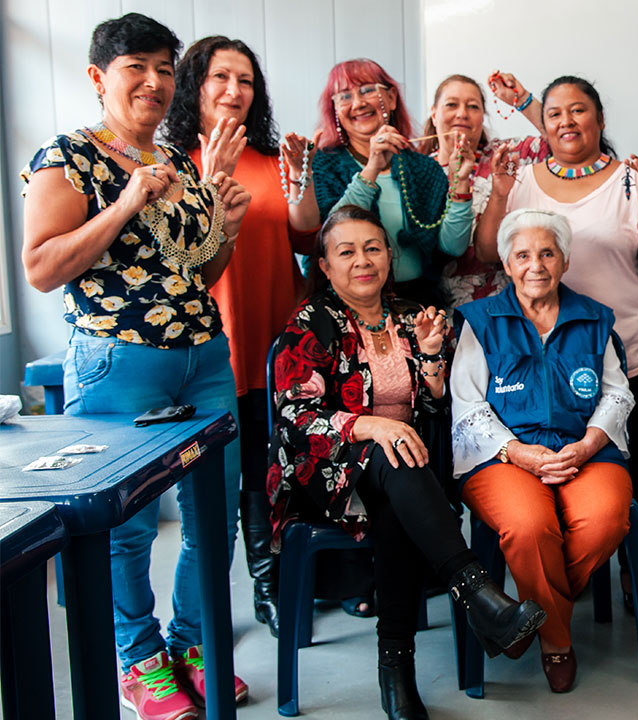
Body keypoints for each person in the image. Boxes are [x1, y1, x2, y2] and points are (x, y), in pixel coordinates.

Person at [20, 13, 252, 718]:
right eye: (135, 68)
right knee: (128, 527)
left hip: (204, 358)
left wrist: (227, 227)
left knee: (216, 517)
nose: (153, 83)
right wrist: (124, 202)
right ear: (98, 78)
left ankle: (193, 644)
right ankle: (139, 660)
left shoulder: (180, 164)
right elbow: (40, 266)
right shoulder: (66, 158)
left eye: (162, 68)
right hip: (119, 363)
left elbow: (195, 271)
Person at [268, 205, 545, 720]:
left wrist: (434, 361)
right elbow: (296, 415)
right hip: (326, 475)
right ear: (325, 267)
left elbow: (438, 408)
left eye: (372, 248)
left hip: (403, 477)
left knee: (401, 486)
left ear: (390, 258)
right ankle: (479, 598)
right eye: (346, 252)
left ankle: (398, 670)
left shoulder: (406, 315)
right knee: (398, 461)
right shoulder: (310, 323)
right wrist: (372, 425)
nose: (362, 261)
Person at [474, 75, 638, 601]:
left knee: (622, 461)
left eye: (579, 110)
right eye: (555, 112)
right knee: (541, 463)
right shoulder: (523, 180)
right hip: (533, 350)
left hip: (618, 346)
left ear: (600, 120)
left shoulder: (631, 178)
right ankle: (562, 579)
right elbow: (485, 250)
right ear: (543, 121)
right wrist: (498, 194)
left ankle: (614, 578)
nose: (566, 121)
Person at [166, 34, 321, 638]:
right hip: (207, 350)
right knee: (211, 493)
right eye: (220, 77)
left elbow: (305, 239)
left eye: (247, 81)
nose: (235, 91)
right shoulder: (170, 162)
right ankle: (198, 615)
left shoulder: (270, 157)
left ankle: (268, 584)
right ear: (194, 86)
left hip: (275, 338)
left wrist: (301, 178)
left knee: (265, 470)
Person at [452, 209, 636, 693]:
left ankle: (520, 618)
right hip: (503, 456)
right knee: (531, 526)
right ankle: (556, 641)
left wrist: (589, 443)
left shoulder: (594, 318)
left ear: (565, 261)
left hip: (584, 449)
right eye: (523, 255)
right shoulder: (481, 320)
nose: (536, 265)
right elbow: (467, 404)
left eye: (548, 253)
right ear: (507, 266)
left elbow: (617, 393)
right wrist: (518, 452)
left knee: (605, 521)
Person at [311, 59, 474, 307]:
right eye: (344, 96)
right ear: (334, 109)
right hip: (346, 306)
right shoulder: (323, 165)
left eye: (367, 90)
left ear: (392, 98)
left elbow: (452, 247)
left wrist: (460, 185)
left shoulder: (424, 168)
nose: (358, 103)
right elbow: (331, 235)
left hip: (418, 302)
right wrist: (372, 168)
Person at [422, 72, 548, 310]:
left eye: (473, 107)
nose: (462, 113)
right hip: (439, 309)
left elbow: (558, 141)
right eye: (451, 105)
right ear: (434, 113)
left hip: (506, 305)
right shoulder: (420, 171)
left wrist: (522, 100)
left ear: (482, 117)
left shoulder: (504, 157)